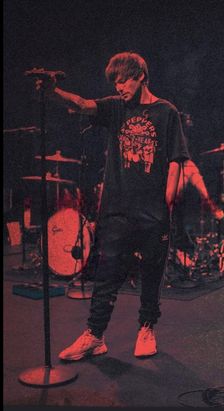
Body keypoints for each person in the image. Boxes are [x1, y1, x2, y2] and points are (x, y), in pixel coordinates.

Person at [36, 51, 190, 359]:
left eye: (123, 80)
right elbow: (80, 104)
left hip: (153, 212)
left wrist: (167, 205)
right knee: (106, 273)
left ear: (141, 76)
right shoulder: (116, 108)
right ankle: (95, 336)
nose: (119, 87)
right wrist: (53, 91)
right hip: (117, 209)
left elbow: (176, 161)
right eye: (115, 82)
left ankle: (147, 328)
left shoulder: (165, 112)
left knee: (151, 273)